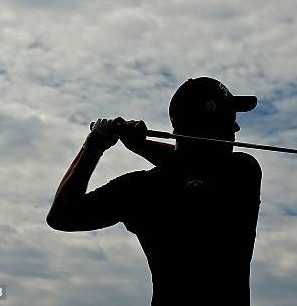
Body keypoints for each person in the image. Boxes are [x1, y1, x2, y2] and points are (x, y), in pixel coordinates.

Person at [46, 77, 262, 305]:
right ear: (209, 122)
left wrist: (94, 146)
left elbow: (62, 215)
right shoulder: (243, 171)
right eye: (230, 117)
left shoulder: (140, 189)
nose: (236, 126)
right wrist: (137, 145)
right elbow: (60, 218)